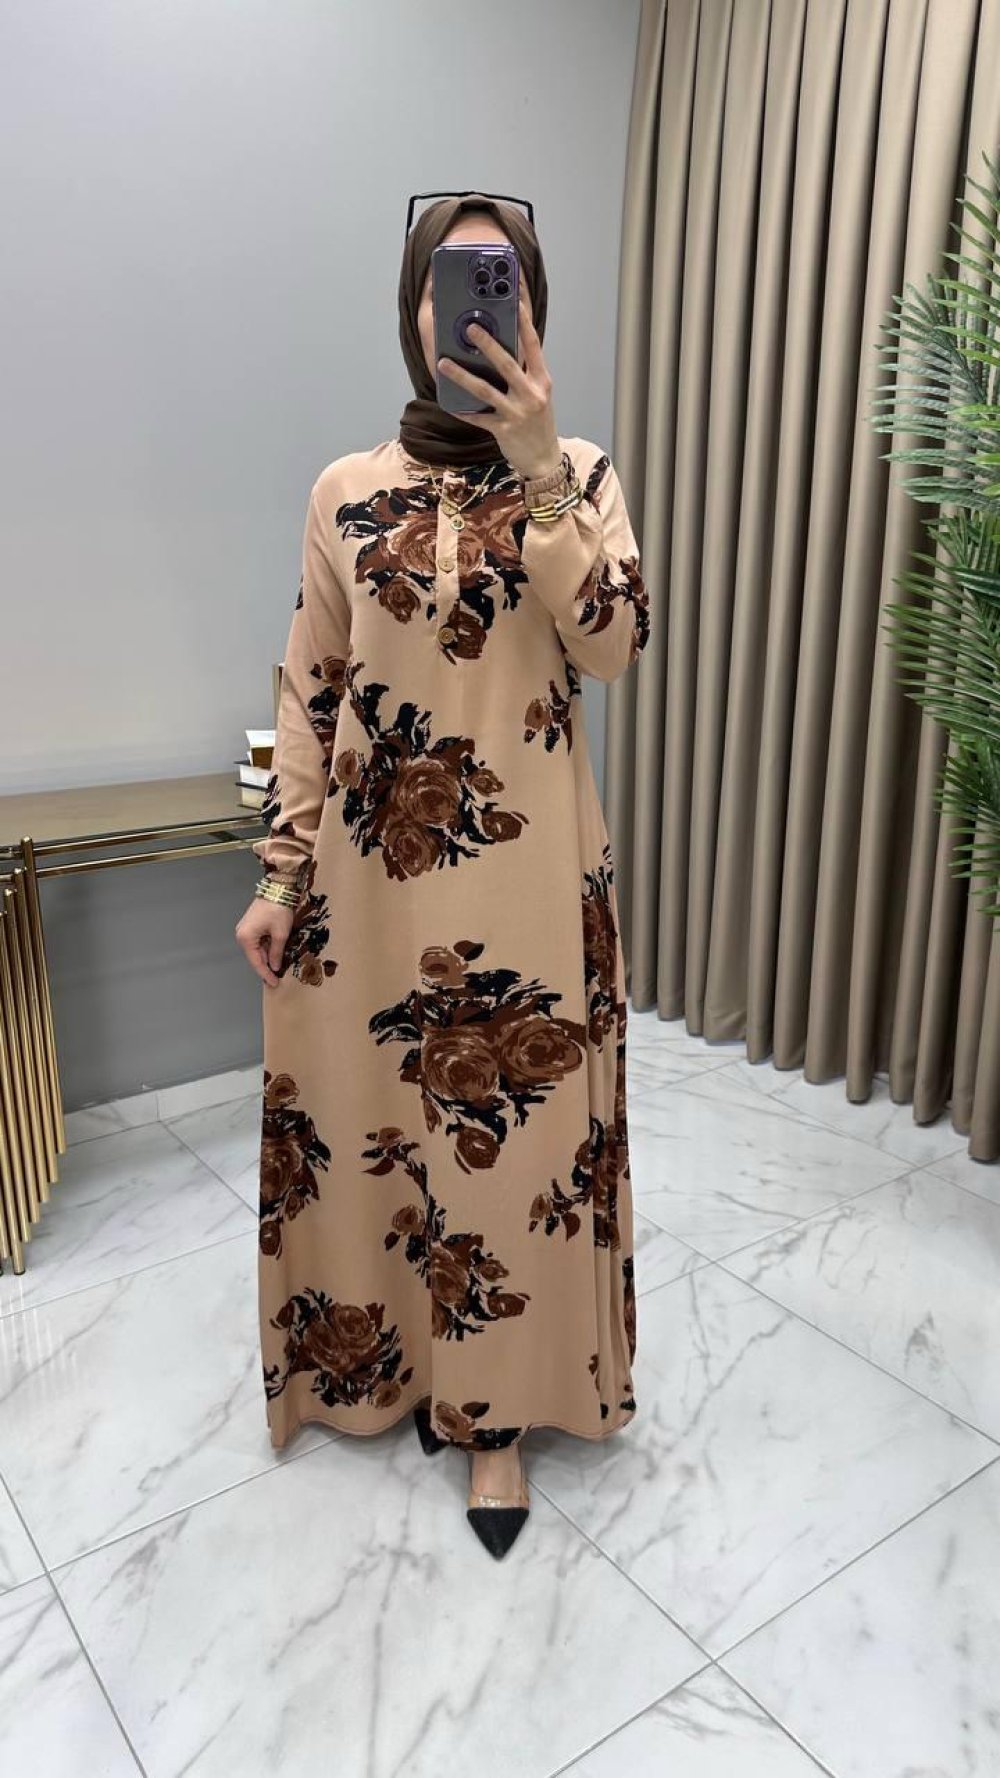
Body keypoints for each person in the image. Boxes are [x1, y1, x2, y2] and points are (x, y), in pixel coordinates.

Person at [235, 191, 650, 1559]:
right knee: (377, 1126)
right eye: (449, 280)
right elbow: (312, 690)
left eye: (500, 277)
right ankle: (402, 1361)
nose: (471, 305)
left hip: (531, 881)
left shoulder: (579, 472)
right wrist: (280, 875)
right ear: (412, 310)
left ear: (532, 307)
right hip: (371, 883)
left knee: (516, 1140)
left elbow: (614, 643)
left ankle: (498, 1418)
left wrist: (538, 468)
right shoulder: (343, 492)